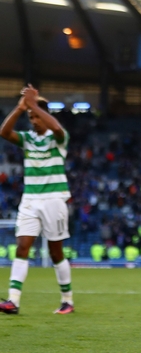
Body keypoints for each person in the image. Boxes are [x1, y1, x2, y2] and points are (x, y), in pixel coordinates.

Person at [0, 85, 74, 315]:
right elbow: (4, 132)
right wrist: (21, 107)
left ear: (45, 115)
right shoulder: (27, 139)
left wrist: (33, 104)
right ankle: (13, 300)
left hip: (54, 199)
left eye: (36, 116)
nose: (33, 120)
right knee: (22, 247)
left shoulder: (58, 138)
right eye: (30, 117)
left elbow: (56, 127)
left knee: (55, 252)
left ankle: (67, 300)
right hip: (31, 199)